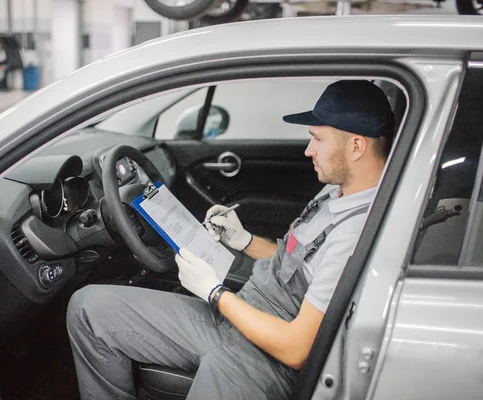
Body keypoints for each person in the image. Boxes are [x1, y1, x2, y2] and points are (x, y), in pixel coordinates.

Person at [66, 80, 395, 399]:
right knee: (89, 309)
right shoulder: (336, 191)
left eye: (317, 139)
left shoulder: (355, 233)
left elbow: (296, 349)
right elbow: (294, 259)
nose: (308, 150)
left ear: (356, 146)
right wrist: (244, 240)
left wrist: (215, 292)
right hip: (243, 312)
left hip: (266, 362)